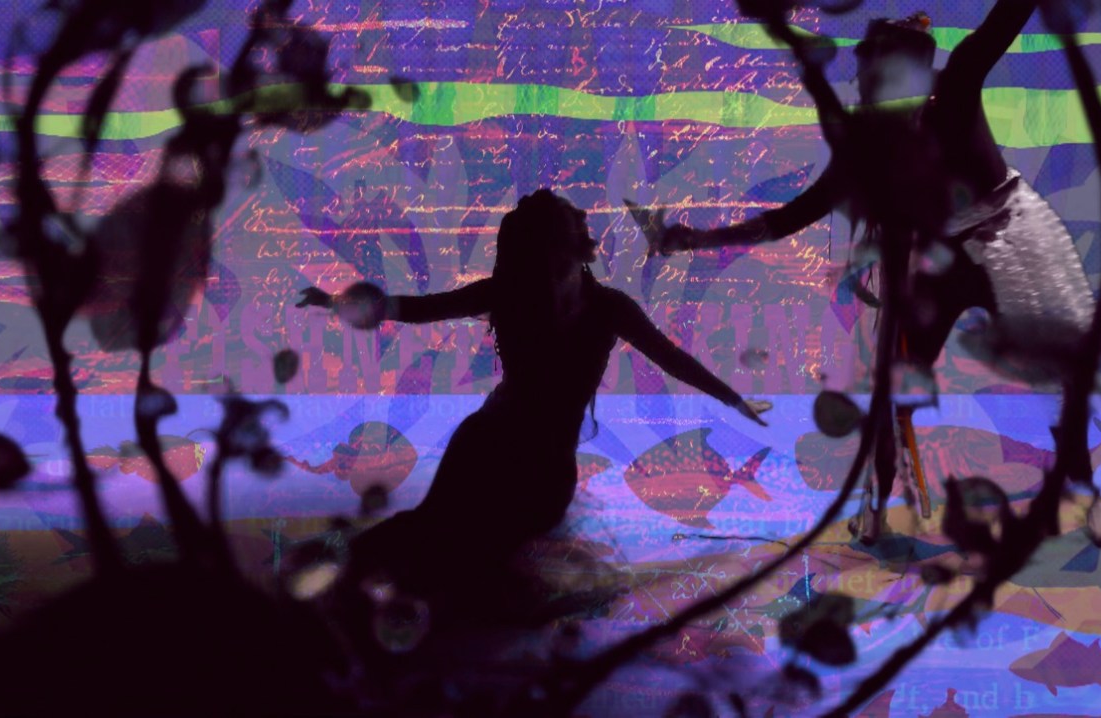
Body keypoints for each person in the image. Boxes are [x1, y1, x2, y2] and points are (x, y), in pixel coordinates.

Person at [630, 3, 1095, 538]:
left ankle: (1083, 485)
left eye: (872, 69)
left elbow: (1004, 19)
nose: (862, 82)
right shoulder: (866, 145)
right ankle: (875, 503)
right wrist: (696, 239)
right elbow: (790, 217)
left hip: (1009, 236)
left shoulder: (958, 84)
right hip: (940, 258)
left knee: (1057, 368)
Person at [296, 189, 770, 622]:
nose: (582, 217)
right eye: (569, 217)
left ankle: (381, 596)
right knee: (436, 531)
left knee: (477, 550)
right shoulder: (510, 293)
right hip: (489, 446)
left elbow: (671, 358)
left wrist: (733, 399)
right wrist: (337, 302)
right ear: (551, 240)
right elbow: (423, 308)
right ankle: (329, 582)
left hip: (546, 466)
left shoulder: (607, 306)